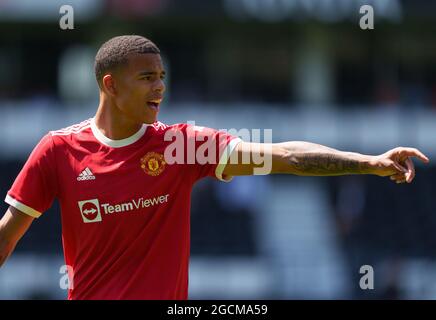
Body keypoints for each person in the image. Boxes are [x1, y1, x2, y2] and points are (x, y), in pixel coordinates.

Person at [0, 35, 429, 300]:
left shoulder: (182, 146)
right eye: (147, 77)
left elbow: (285, 156)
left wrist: (367, 162)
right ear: (110, 85)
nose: (160, 87)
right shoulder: (57, 150)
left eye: (162, 75)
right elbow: (7, 235)